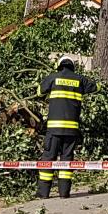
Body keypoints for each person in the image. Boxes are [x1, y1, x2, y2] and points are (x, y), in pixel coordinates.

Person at [36, 56, 93, 198]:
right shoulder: (79, 79)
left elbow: (39, 91)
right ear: (72, 66)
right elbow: (96, 87)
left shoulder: (53, 78)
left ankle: (43, 193)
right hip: (71, 130)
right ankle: (64, 193)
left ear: (59, 65)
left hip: (54, 129)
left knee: (48, 158)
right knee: (66, 159)